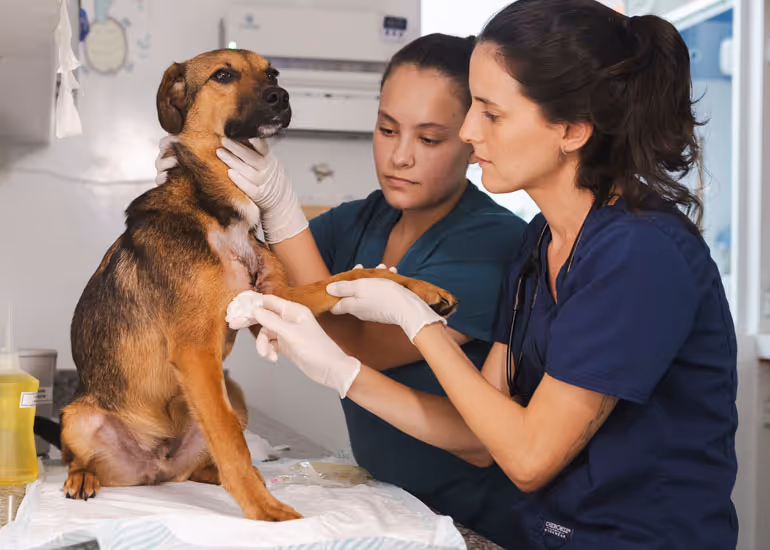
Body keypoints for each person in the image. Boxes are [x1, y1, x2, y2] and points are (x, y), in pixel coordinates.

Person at [227, 1, 740, 548]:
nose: (469, 132)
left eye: (491, 114)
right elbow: (478, 437)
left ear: (571, 130)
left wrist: (414, 320)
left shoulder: (639, 254)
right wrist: (343, 375)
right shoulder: (540, 243)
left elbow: (527, 459)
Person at [158, 34, 527, 544]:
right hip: (390, 499)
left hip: (470, 520)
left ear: (470, 139)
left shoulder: (494, 242)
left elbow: (352, 344)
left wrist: (281, 207)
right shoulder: (367, 218)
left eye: (429, 139)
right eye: (386, 129)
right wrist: (205, 189)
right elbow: (259, 271)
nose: (400, 157)